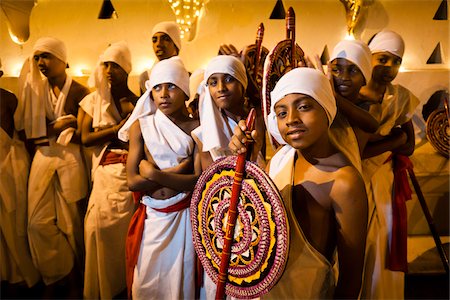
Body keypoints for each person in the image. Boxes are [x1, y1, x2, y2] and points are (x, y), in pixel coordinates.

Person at [230, 67, 368, 299]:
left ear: (327, 108)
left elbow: (351, 278)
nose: (292, 119)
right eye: (281, 113)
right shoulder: (281, 160)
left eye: (304, 107)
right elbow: (259, 223)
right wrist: (247, 158)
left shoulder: (344, 182)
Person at [119, 56, 200, 300]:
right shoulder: (141, 126)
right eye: (157, 87)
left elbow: (197, 181)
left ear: (185, 91)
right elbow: (132, 181)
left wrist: (154, 173)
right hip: (153, 217)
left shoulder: (196, 126)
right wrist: (176, 172)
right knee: (146, 284)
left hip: (183, 217)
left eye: (171, 86)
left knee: (179, 284)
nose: (164, 94)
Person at [15, 37, 90, 297]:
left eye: (46, 56)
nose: (40, 62)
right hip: (43, 157)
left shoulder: (81, 92)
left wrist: (64, 129)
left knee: (71, 223)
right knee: (36, 223)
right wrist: (57, 127)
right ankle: (58, 272)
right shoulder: (34, 91)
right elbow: (27, 133)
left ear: (62, 58)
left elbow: (85, 135)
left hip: (70, 160)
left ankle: (75, 281)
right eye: (37, 57)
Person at [359, 30, 420, 299]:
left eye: (396, 61)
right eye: (382, 59)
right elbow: (357, 150)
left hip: (384, 178)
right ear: (368, 57)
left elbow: (409, 144)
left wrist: (394, 142)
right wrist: (393, 142)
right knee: (360, 240)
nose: (389, 68)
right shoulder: (352, 93)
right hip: (356, 177)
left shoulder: (400, 97)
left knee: (385, 236)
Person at [80, 41, 138, 299]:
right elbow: (85, 138)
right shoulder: (91, 101)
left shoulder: (135, 102)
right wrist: (116, 129)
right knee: (96, 228)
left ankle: (120, 287)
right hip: (104, 171)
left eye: (116, 65)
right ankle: (101, 289)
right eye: (106, 64)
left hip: (128, 175)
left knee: (125, 234)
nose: (109, 70)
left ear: (127, 69)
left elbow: (140, 139)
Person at [0, 59, 40, 296]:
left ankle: (24, 276)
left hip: (9, 165)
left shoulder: (8, 99)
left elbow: (22, 134)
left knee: (14, 222)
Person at [192, 55, 265, 172]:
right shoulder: (204, 134)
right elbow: (210, 182)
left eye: (228, 79)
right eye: (213, 83)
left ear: (242, 83)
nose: (221, 88)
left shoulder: (260, 119)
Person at [328, 39, 379, 172]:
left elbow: (372, 126)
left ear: (364, 78)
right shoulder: (323, 105)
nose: (344, 77)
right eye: (336, 70)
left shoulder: (367, 106)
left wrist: (335, 98)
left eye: (353, 70)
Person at [138, 21, 181, 95]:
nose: (158, 44)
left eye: (165, 39)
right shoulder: (146, 77)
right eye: (154, 40)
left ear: (175, 44)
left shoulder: (188, 76)